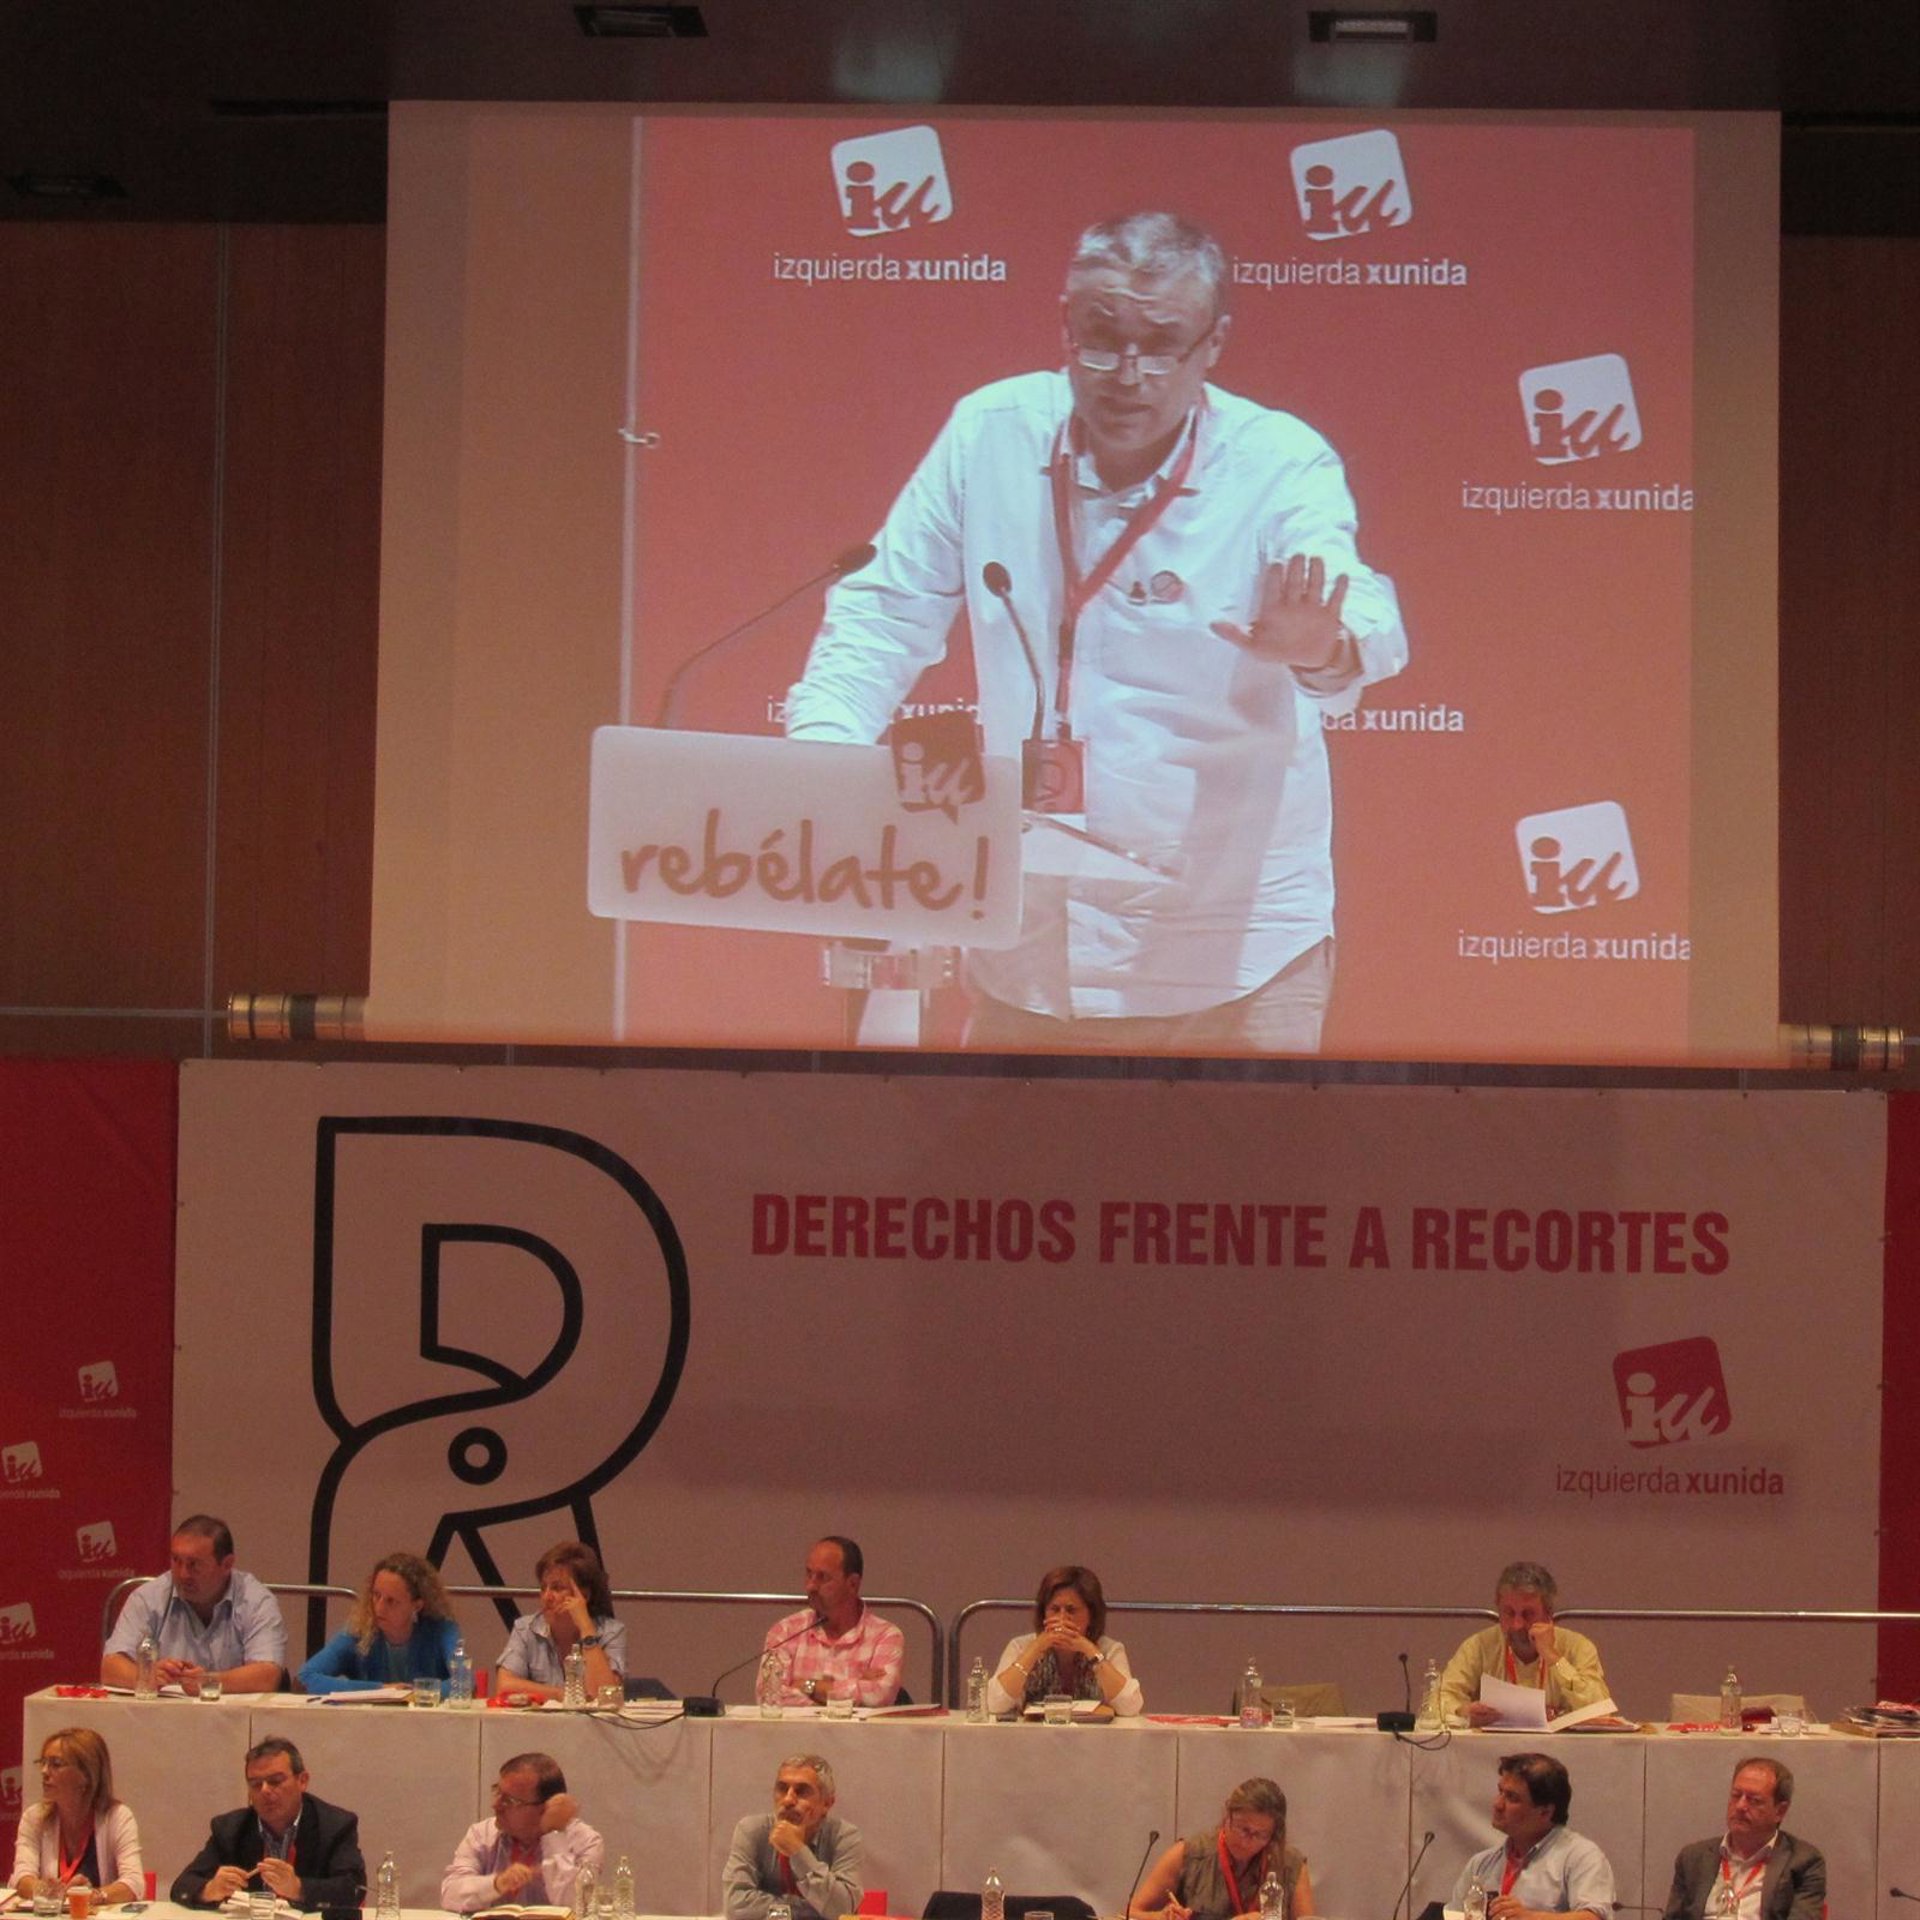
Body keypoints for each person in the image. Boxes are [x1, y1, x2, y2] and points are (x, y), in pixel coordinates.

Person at [785, 210, 1408, 1055]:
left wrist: (1323, 649)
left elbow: (1363, 613)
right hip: (1033, 950)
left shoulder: (1278, 462)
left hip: (1231, 951)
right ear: (1065, 325)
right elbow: (884, 611)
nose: (1128, 375)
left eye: (1163, 345)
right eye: (1102, 339)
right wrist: (820, 761)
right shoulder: (991, 432)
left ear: (1214, 344)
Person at [171, 1737, 366, 1911]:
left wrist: (298, 1888)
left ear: (302, 1781)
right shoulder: (230, 1829)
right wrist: (209, 1889)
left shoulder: (334, 1826)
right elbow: (181, 1886)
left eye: (275, 1781)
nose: (264, 1790)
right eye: (256, 1784)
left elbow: (354, 1890)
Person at [101, 1513, 286, 1693]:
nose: (182, 1574)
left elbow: (268, 1676)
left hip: (233, 1713)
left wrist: (209, 1681)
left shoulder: (256, 1601)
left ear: (227, 1565)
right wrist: (147, 1675)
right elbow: (110, 1667)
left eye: (194, 1564)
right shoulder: (148, 1597)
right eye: (176, 1561)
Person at [1437, 1562, 1610, 1726]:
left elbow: (1600, 1711)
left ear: (1548, 1614)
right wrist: (1462, 1711)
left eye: (1528, 1614)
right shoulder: (1478, 1647)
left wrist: (1553, 1657)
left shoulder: (1578, 1647)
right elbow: (1436, 1701)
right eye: (1509, 1613)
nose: (1517, 1625)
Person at [1451, 1753, 1614, 1920]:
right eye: (1500, 1792)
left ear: (1545, 1812)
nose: (1497, 1804)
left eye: (1512, 1798)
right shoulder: (1481, 1864)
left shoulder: (1580, 1857)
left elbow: (1594, 1917)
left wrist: (1530, 1917)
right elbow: (1452, 1915)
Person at [1660, 1758, 1825, 1920]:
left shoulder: (1803, 1862)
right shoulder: (1693, 1858)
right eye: (1736, 1795)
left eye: (1754, 1800)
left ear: (1779, 1811)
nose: (1740, 1806)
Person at [1129, 1777, 1314, 1920]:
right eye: (1243, 1829)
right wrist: (1161, 1917)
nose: (1246, 1842)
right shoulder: (1188, 1854)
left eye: (1260, 1835)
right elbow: (1129, 1913)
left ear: (1274, 1835)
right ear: (1227, 1816)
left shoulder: (1290, 1864)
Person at [441, 1753, 604, 1914]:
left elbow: (577, 1907)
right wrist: (496, 1883)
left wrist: (554, 1835)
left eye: (509, 1801)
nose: (495, 1805)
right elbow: (450, 1894)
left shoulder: (586, 1842)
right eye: (497, 1792)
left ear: (546, 1808)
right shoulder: (481, 1834)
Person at [760, 1536, 903, 1708]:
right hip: (800, 1728)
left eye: (822, 1577)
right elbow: (768, 1696)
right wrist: (855, 1686)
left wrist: (807, 1685)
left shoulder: (885, 1636)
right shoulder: (785, 1631)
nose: (811, 1586)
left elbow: (879, 1695)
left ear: (853, 1584)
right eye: (809, 1574)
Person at [985, 1563, 1143, 1716]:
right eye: (1054, 1609)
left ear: (1092, 1615)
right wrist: (1034, 1650)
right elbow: (995, 1704)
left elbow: (1130, 1707)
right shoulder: (1020, 1647)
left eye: (1071, 1610)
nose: (1062, 1618)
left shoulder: (1110, 1650)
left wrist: (1090, 1650)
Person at [11, 1728, 144, 1908]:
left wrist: (94, 1895)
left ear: (86, 1775)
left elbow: (134, 1884)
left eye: (56, 1764)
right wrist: (49, 1891)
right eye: (43, 1763)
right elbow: (21, 1878)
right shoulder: (34, 1818)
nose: (44, 1771)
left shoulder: (117, 1817)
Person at [297, 1549, 462, 1692]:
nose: (379, 1608)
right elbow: (305, 1678)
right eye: (376, 1595)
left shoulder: (442, 1630)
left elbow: (463, 1681)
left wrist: (414, 1693)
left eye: (391, 1601)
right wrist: (380, 1689)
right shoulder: (359, 1631)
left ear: (417, 1606)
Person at [722, 1754, 862, 1920]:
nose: (788, 1800)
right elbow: (736, 1908)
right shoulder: (752, 1831)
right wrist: (804, 1912)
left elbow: (842, 1910)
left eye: (802, 1791)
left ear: (827, 1803)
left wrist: (798, 1851)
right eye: (782, 1789)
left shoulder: (844, 1837)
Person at [496, 1539, 627, 1703]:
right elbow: (504, 1686)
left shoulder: (612, 1632)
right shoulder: (525, 1629)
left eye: (557, 1588)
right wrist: (560, 1694)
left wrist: (586, 1628)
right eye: (543, 1588)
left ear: (584, 1595)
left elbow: (605, 1695)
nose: (546, 1597)